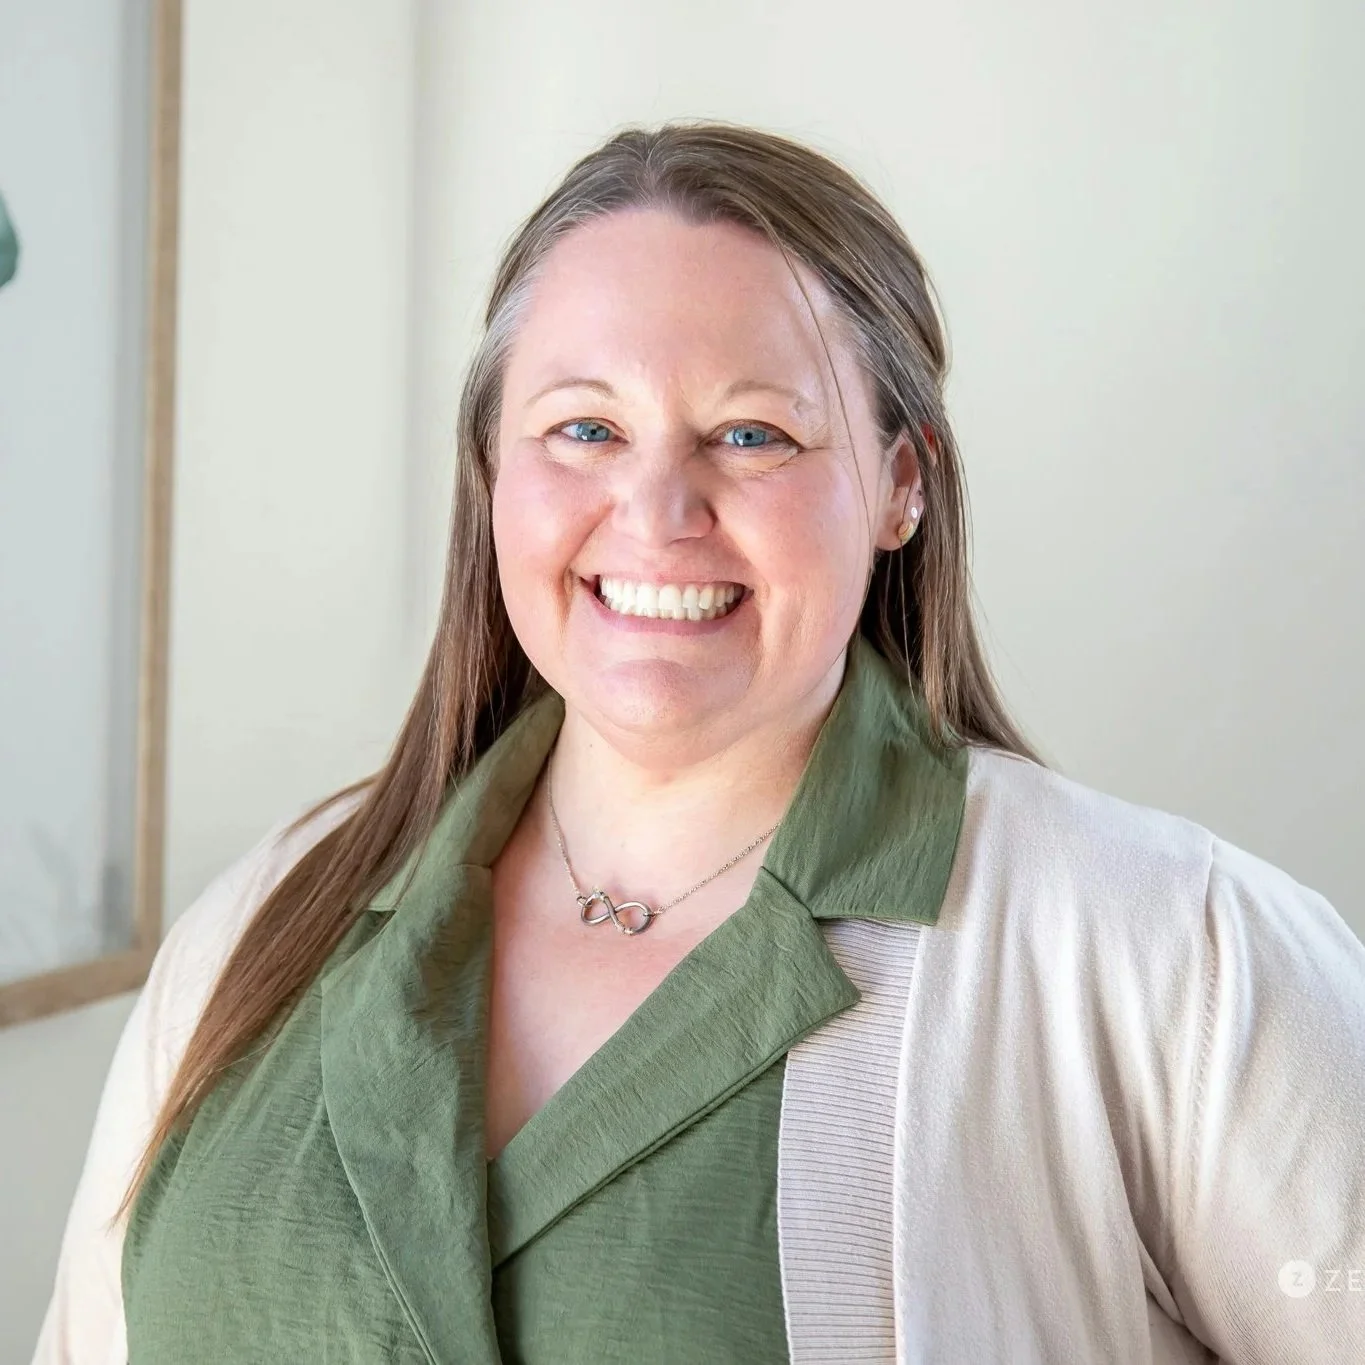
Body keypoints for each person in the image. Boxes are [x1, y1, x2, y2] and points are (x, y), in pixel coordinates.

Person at [33, 121, 1365, 1364]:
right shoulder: (263, 926)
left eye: (750, 433)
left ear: (902, 482)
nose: (657, 509)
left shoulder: (1172, 953)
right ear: (493, 467)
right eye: (587, 429)